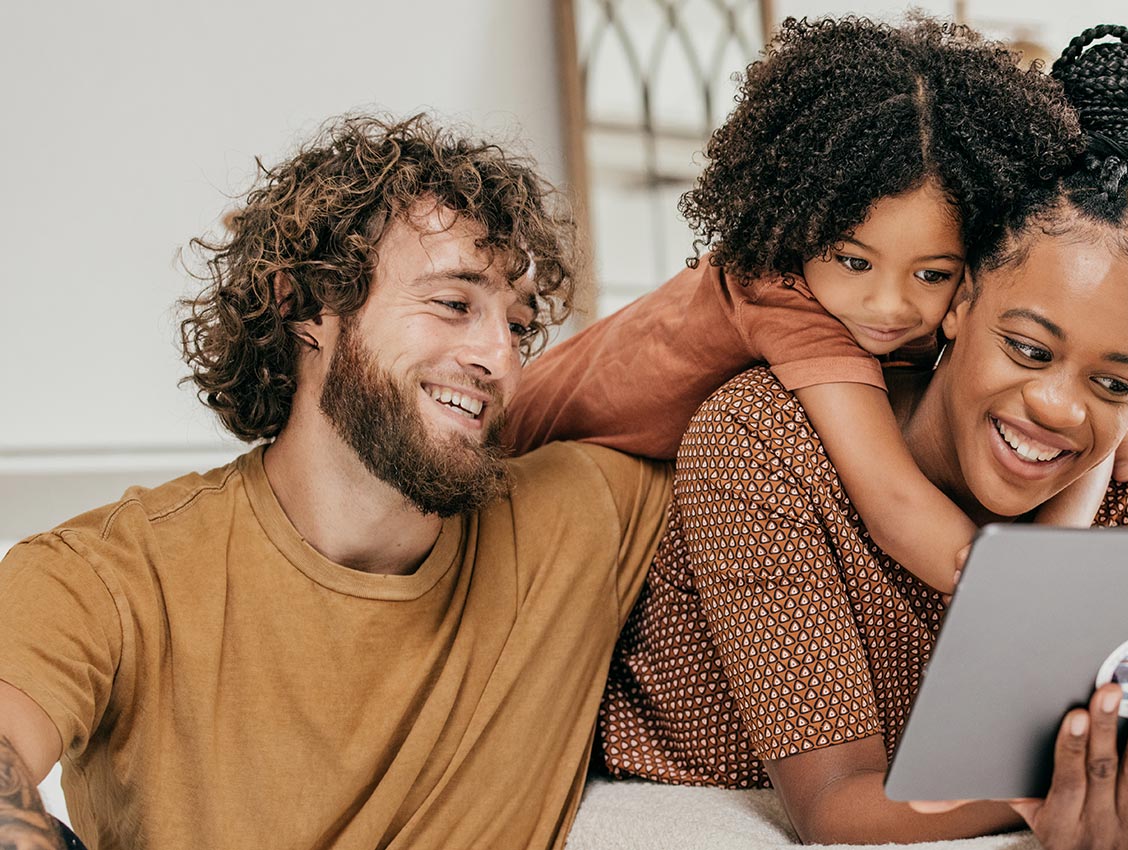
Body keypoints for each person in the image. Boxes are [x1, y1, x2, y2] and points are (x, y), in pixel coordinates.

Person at [516, 26, 1128, 849]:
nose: (1058, 407)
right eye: (1027, 347)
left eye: (1114, 380)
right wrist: (1053, 789)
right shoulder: (766, 434)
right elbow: (836, 804)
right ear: (964, 302)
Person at [0, 114, 674, 849]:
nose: (500, 359)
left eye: (517, 325)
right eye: (454, 304)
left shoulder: (578, 516)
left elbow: (745, 316)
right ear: (303, 307)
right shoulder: (109, 576)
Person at [503, 16, 1128, 597]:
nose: (890, 305)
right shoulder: (786, 300)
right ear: (798, 224)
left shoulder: (865, 309)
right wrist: (1057, 565)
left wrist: (1120, 399)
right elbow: (898, 513)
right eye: (852, 260)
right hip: (507, 459)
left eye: (933, 273)